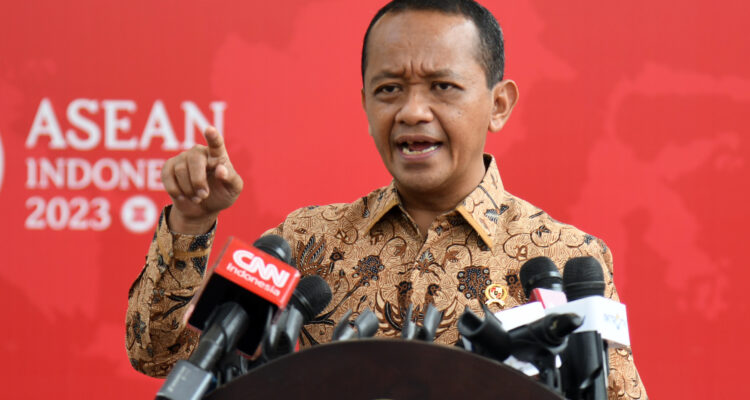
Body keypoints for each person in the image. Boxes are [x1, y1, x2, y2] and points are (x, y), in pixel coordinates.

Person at [126, 0, 647, 398]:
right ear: (365, 104)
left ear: (499, 104)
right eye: (389, 89)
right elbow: (160, 354)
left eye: (442, 87)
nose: (412, 111)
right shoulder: (305, 240)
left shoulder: (562, 258)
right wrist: (191, 222)